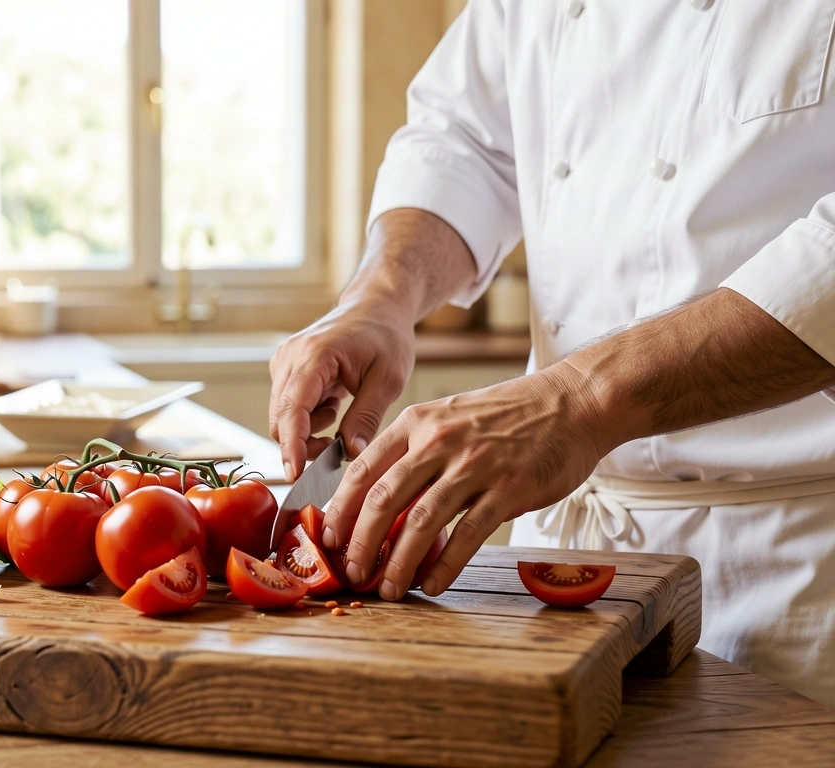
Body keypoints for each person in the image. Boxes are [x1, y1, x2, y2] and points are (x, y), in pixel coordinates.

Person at [269, 1, 835, 705]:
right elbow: (465, 141)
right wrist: (382, 296)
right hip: (560, 577)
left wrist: (582, 400)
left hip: (797, 578)